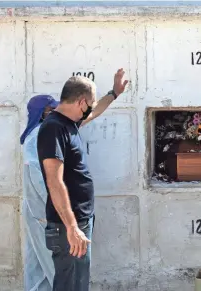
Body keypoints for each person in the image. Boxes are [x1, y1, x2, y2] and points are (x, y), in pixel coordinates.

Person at [37, 68, 129, 291]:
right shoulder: (53, 129)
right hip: (68, 227)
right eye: (89, 103)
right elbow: (54, 182)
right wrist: (71, 227)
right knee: (70, 286)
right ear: (80, 102)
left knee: (78, 284)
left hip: (79, 222)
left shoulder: (69, 124)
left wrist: (114, 93)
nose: (89, 108)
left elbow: (95, 112)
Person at [21, 95, 59, 291]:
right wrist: (55, 206)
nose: (55, 113)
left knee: (37, 264)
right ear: (41, 112)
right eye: (51, 109)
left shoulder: (42, 132)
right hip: (42, 210)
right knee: (54, 264)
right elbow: (35, 174)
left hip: (38, 209)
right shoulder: (38, 135)